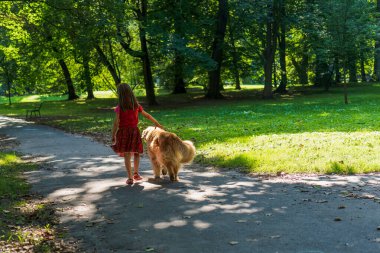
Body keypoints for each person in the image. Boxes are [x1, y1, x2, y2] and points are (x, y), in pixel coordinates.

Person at [111, 83, 163, 185]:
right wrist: (157, 123)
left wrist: (113, 134)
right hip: (134, 131)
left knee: (127, 154)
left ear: (120, 95)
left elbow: (116, 122)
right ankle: (136, 173)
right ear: (131, 93)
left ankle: (130, 177)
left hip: (123, 132)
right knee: (136, 153)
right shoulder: (136, 106)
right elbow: (147, 115)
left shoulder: (119, 107)